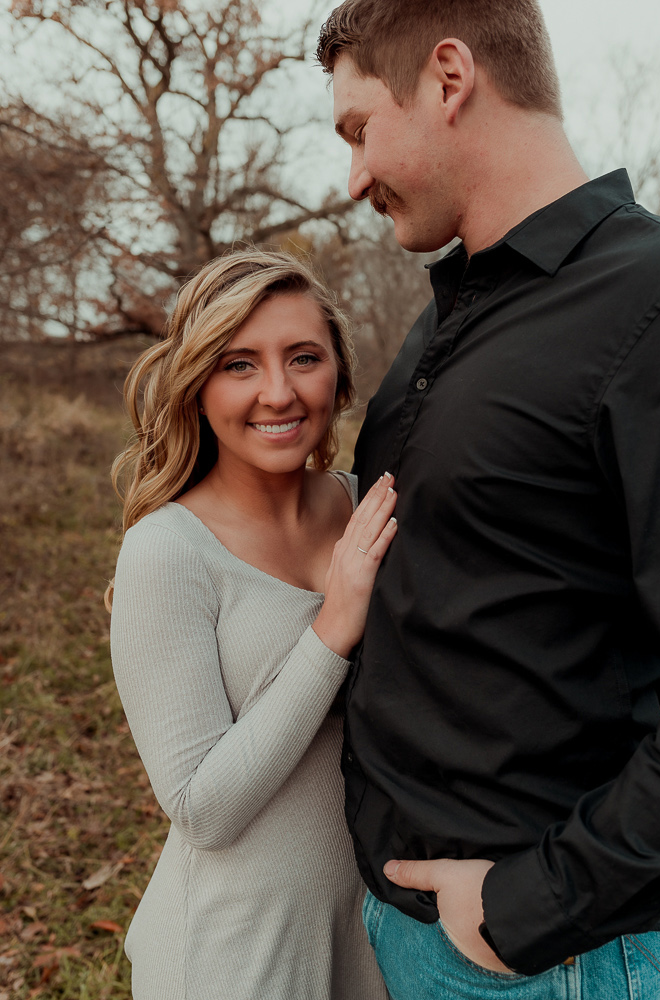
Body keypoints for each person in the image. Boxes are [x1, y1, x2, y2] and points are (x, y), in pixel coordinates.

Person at [313, 1, 660, 995]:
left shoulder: (643, 302)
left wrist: (530, 906)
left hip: (540, 954)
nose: (352, 178)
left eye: (358, 130)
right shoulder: (448, 317)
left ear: (449, 76)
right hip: (404, 931)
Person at [107, 249, 396, 999]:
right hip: (235, 961)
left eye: (303, 357)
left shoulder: (369, 507)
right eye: (239, 364)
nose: (279, 392)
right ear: (198, 385)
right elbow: (202, 808)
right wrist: (332, 629)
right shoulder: (166, 551)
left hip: (370, 942)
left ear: (339, 373)